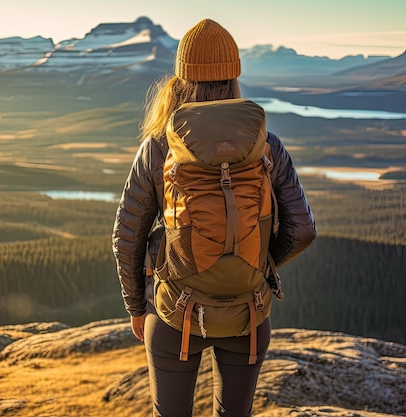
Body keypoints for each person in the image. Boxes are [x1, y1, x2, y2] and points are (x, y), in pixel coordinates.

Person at [111, 18, 316, 417]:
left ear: (182, 77)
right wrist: (256, 263)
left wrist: (137, 306)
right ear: (234, 76)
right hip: (248, 312)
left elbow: (127, 234)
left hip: (176, 314)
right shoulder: (267, 146)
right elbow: (303, 229)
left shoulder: (159, 147)